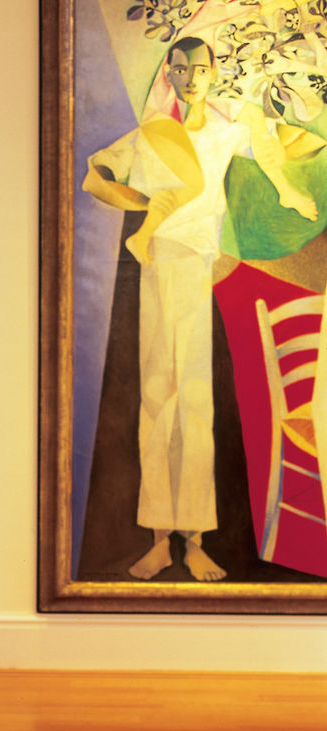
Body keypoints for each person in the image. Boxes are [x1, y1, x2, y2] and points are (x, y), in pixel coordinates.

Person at [83, 36, 317, 581]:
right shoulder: (151, 136)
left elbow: (274, 152)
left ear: (213, 75)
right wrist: (139, 203)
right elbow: (96, 174)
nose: (192, 77)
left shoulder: (225, 130)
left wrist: (287, 189)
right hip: (155, 268)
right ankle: (161, 539)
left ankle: (194, 541)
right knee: (155, 396)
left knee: (193, 401)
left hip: (196, 271)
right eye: (182, 68)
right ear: (169, 71)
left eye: (201, 69)